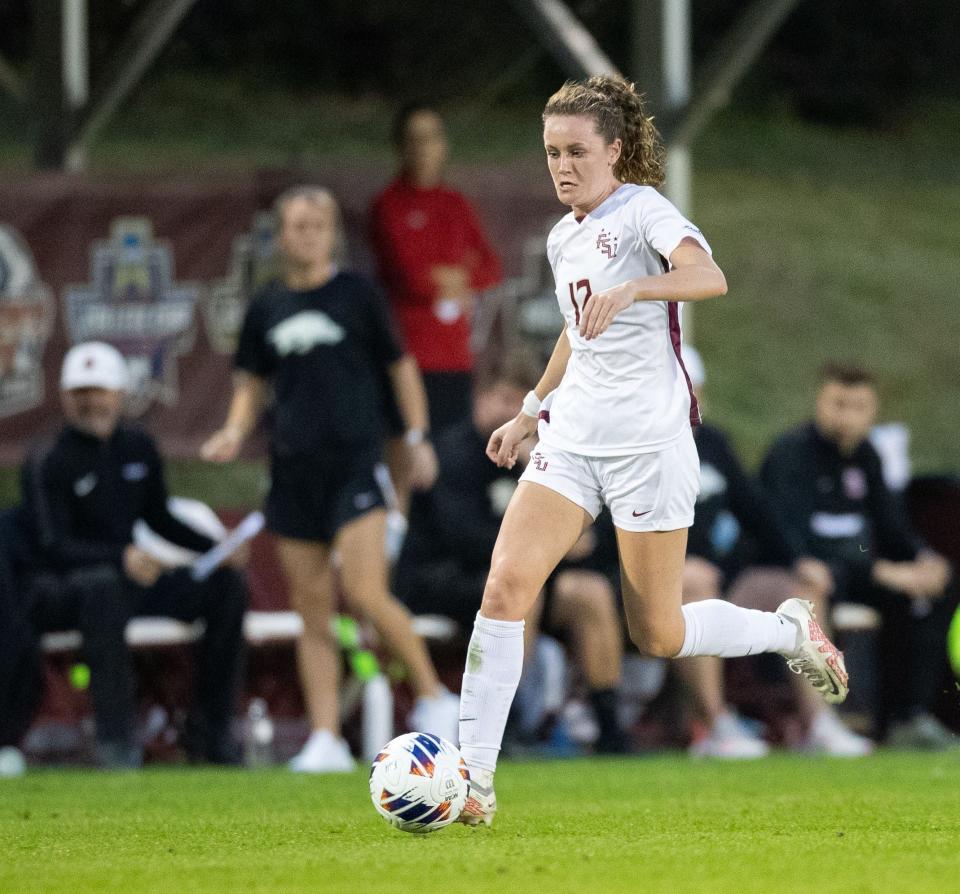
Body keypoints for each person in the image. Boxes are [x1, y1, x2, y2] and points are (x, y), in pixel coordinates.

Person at [455, 75, 849, 827]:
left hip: (648, 448)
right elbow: (577, 330)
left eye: (576, 151)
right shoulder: (562, 235)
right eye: (550, 153)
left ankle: (787, 630)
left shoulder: (642, 211)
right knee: (506, 586)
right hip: (572, 441)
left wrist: (640, 289)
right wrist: (533, 409)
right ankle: (474, 780)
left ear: (614, 150)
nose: (562, 166)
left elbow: (710, 276)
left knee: (659, 632)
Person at [202, 185, 459, 774]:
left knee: (366, 592)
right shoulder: (266, 305)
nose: (307, 234)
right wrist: (233, 431)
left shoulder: (358, 295)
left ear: (331, 234)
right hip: (293, 472)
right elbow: (250, 384)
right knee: (313, 609)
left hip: (354, 465)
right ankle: (323, 739)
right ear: (280, 235)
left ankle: (434, 699)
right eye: (296, 225)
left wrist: (415, 438)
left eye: (317, 224)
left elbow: (401, 368)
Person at [17, 342, 247, 768]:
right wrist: (120, 556)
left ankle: (212, 733)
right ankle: (117, 742)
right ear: (66, 398)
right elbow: (52, 545)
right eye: (81, 392)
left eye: (100, 390)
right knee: (102, 589)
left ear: (120, 394)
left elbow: (159, 517)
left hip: (133, 581)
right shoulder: (50, 457)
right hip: (65, 589)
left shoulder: (139, 447)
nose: (92, 402)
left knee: (225, 587)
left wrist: (219, 549)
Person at [395, 360, 628, 754]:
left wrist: (536, 466)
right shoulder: (451, 453)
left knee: (589, 592)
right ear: (479, 400)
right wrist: (546, 547)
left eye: (520, 402)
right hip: (442, 577)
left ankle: (610, 727)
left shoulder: (547, 458)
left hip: (520, 576)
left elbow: (594, 530)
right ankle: (509, 725)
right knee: (523, 589)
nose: (509, 411)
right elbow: (460, 536)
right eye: (501, 399)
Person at [677, 347, 872, 758]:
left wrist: (799, 559)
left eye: (693, 391)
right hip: (658, 579)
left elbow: (756, 511)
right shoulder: (631, 449)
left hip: (721, 575)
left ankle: (819, 721)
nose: (688, 400)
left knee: (800, 590)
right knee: (695, 579)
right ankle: (713, 724)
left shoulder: (713, 444)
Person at [761, 362, 957, 749]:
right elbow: (789, 534)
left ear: (874, 411)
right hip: (815, 573)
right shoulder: (791, 452)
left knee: (938, 586)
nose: (846, 416)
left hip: (861, 574)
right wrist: (879, 570)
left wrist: (923, 557)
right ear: (820, 402)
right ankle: (820, 723)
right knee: (808, 595)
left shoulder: (868, 456)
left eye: (858, 406)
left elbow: (892, 527)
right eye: (838, 403)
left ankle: (909, 715)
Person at [369, 102, 502, 434]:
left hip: (456, 357)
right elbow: (410, 278)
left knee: (451, 462)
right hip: (408, 360)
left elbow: (490, 269)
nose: (424, 148)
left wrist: (448, 276)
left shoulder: (456, 204)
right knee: (411, 460)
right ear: (400, 147)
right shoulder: (388, 205)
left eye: (431, 138)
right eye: (415, 139)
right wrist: (458, 275)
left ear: (443, 145)